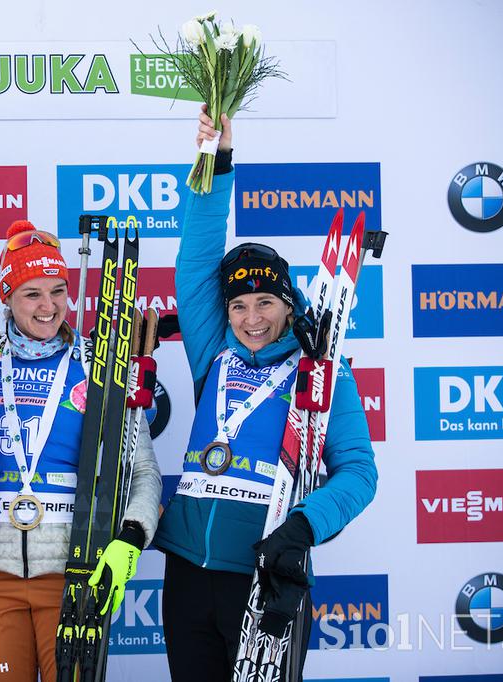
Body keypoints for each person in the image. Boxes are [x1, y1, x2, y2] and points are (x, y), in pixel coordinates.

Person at [151, 108, 378, 681]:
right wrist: (216, 160)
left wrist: (302, 527)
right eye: (238, 305)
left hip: (265, 575)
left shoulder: (322, 371)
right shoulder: (214, 355)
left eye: (266, 303)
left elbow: (357, 472)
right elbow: (197, 258)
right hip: (186, 573)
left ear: (289, 304)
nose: (252, 318)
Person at [0, 220, 162, 681]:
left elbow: (142, 471)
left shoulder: (102, 366)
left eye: (58, 291)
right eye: (32, 293)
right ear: (6, 297)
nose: (48, 307)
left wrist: (131, 537)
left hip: (75, 567)